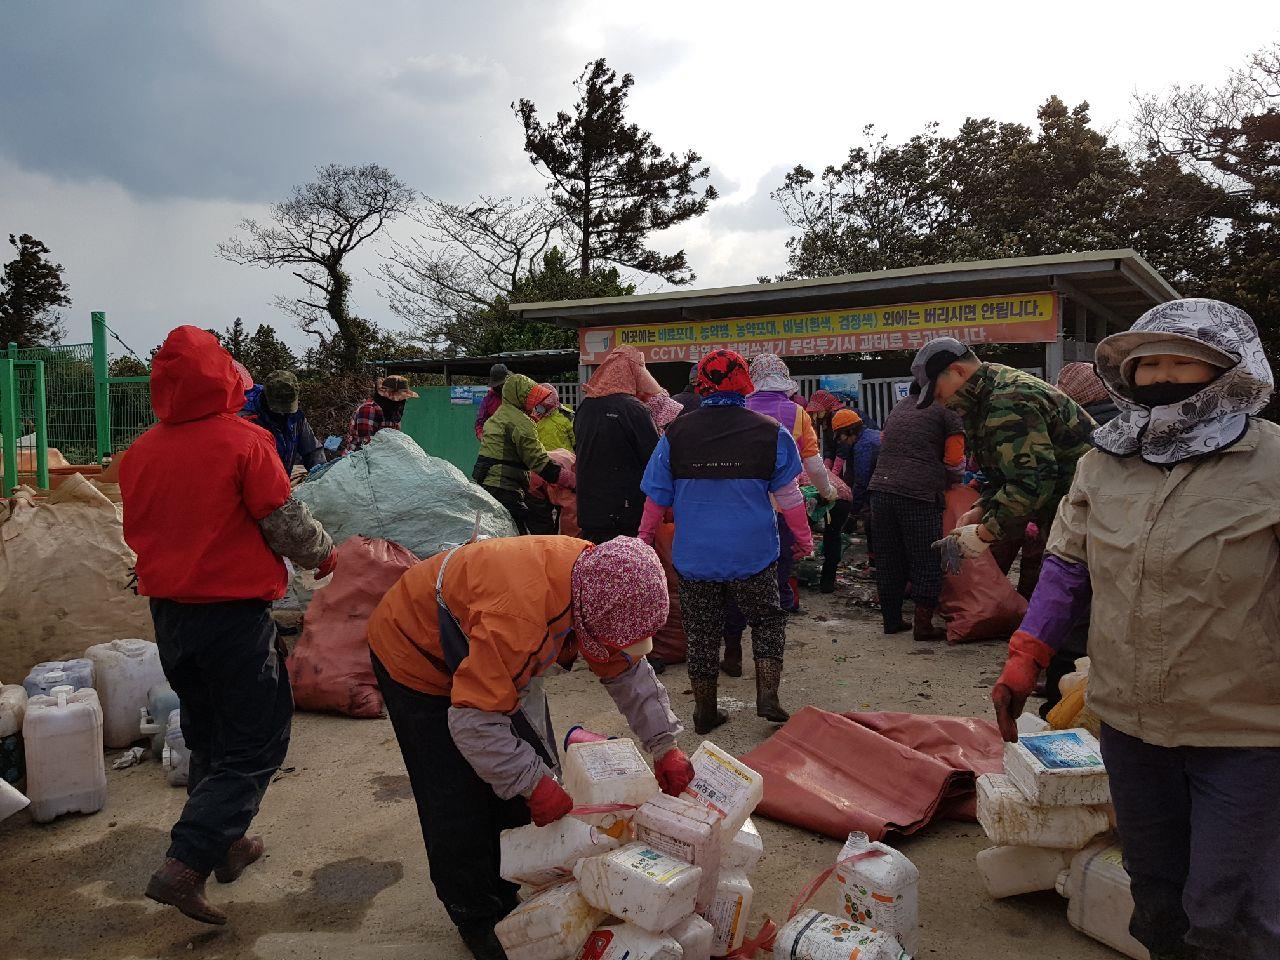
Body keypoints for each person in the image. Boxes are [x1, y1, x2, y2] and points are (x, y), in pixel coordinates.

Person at [990, 299, 1280, 959]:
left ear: (1231, 372)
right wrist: (1024, 659)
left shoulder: (1272, 462)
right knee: (1155, 896)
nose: (1165, 377)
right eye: (1151, 365)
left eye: (1186, 363)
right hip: (1127, 722)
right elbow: (1066, 569)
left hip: (1246, 731)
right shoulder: (1103, 462)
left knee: (1229, 913)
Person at [366, 535, 694, 960]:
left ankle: (519, 884)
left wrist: (664, 743)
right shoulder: (520, 620)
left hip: (481, 643)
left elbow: (626, 669)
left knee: (523, 781)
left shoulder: (603, 580)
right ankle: (479, 916)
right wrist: (532, 782)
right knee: (456, 797)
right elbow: (473, 721)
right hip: (415, 652)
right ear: (587, 617)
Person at [119, 326, 336, 926]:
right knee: (256, 742)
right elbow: (286, 523)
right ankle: (185, 862)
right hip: (232, 619)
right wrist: (323, 554)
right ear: (226, 379)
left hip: (171, 618)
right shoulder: (246, 442)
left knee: (210, 732)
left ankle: (228, 845)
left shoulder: (138, 453)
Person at [639, 349, 813, 733]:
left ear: (700, 385)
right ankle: (768, 695)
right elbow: (790, 498)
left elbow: (656, 498)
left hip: (695, 556)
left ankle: (704, 710)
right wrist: (803, 540)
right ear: (744, 384)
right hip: (753, 552)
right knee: (767, 619)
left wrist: (644, 538)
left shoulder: (676, 434)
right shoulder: (772, 432)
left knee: (701, 630)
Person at [915, 337, 1094, 598]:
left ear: (957, 371)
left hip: (1088, 519)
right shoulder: (988, 396)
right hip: (1069, 518)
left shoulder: (1007, 399)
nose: (941, 403)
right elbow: (1006, 472)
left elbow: (1032, 482)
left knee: (1077, 611)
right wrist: (982, 509)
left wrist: (984, 533)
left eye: (938, 393)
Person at [721, 354, 836, 673]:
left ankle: (732, 649)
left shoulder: (737, 410)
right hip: (782, 511)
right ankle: (770, 658)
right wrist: (827, 492)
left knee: (737, 580)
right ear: (784, 380)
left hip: (738, 511)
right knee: (777, 579)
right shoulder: (798, 414)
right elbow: (813, 465)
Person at [868, 381, 965, 639]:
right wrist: (955, 480)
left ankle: (891, 620)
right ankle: (923, 625)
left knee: (889, 558)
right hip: (918, 493)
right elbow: (955, 461)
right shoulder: (947, 410)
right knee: (926, 558)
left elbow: (885, 442)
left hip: (880, 490)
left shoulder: (900, 406)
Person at [575, 345, 662, 544]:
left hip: (589, 512)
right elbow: (655, 460)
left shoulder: (584, 408)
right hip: (624, 514)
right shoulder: (633, 409)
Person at [474, 374, 571, 534]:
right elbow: (539, 463)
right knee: (518, 535)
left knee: (501, 532)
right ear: (520, 397)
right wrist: (570, 480)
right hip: (505, 485)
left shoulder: (498, 416)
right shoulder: (522, 423)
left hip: (486, 480)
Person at [240, 370, 325, 475]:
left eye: (287, 409)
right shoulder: (246, 417)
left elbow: (312, 451)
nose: (283, 414)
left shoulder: (296, 417)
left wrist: (321, 475)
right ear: (266, 398)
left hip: (283, 480)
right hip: (256, 482)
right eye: (279, 409)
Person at [343, 375, 419, 454]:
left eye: (402, 398)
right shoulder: (369, 409)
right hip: (359, 459)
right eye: (396, 397)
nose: (399, 401)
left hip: (383, 456)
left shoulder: (394, 413)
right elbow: (366, 445)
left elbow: (395, 438)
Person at [474, 364, 509, 440]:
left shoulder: (515, 395)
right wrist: (481, 436)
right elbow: (479, 424)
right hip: (495, 442)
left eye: (502, 384)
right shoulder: (488, 400)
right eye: (498, 384)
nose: (500, 386)